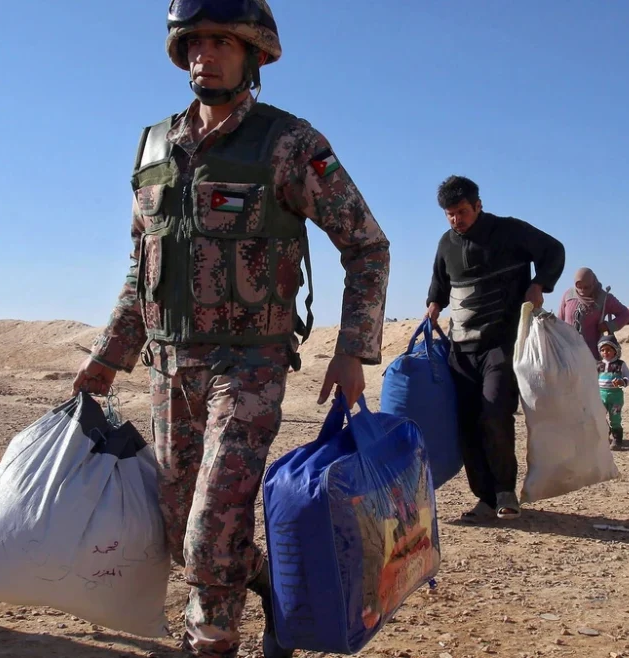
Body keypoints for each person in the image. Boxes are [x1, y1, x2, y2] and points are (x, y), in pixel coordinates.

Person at [70, 3, 391, 656]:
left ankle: (209, 643)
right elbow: (143, 267)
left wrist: (353, 348)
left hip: (248, 367)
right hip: (168, 369)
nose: (203, 55)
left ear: (254, 53)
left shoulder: (290, 144)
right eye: (193, 42)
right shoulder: (155, 145)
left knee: (208, 535)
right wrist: (108, 359)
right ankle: (269, 585)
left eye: (220, 42)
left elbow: (367, 246)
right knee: (178, 526)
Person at [426, 175, 565, 523]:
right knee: (468, 422)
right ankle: (484, 498)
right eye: (450, 214)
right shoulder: (446, 244)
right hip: (461, 350)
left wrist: (538, 284)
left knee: (494, 413)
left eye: (462, 211)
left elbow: (553, 251)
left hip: (501, 344)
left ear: (478, 205)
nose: (456, 219)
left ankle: (505, 491)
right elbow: (439, 284)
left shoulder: (510, 231)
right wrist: (433, 305)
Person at [558, 268, 629, 359]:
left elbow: (625, 314)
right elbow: (559, 320)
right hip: (568, 352)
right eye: (579, 287)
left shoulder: (604, 298)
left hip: (591, 354)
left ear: (592, 283)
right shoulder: (568, 295)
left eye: (586, 287)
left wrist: (608, 326)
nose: (582, 290)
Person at [597, 334, 629, 450]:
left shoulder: (620, 364)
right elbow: (592, 378)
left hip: (615, 397)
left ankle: (617, 439)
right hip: (601, 395)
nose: (605, 353)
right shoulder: (598, 365)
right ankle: (605, 434)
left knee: (615, 417)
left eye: (608, 350)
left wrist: (623, 382)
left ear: (615, 351)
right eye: (602, 350)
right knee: (599, 416)